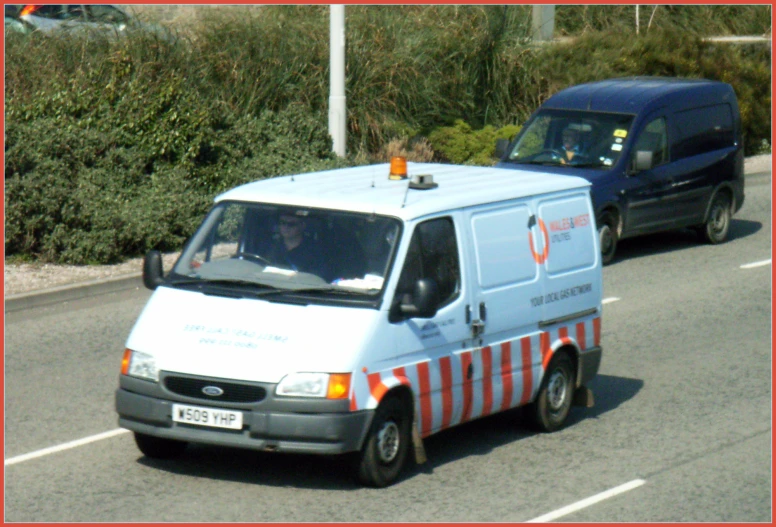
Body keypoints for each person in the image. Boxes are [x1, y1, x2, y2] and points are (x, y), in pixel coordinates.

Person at [267, 213, 332, 279]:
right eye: (282, 223)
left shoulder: (315, 250)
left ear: (302, 226)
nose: (286, 227)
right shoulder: (270, 246)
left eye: (291, 224)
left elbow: (319, 277)